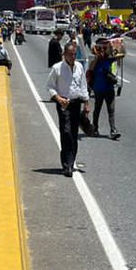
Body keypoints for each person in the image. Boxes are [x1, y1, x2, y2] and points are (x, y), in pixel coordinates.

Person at [47, 41, 88, 176]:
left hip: (76, 103)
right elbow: (50, 87)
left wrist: (86, 103)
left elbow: (83, 86)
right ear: (64, 54)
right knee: (66, 133)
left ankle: (71, 162)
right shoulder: (57, 68)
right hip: (63, 104)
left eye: (74, 54)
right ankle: (66, 165)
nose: (72, 57)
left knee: (74, 134)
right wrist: (59, 99)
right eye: (70, 54)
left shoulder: (79, 67)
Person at [88, 39, 121, 140]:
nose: (102, 51)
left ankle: (113, 130)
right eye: (101, 49)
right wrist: (97, 56)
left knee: (111, 110)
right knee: (97, 109)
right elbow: (90, 68)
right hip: (98, 89)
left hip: (109, 88)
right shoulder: (95, 61)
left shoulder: (109, 60)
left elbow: (120, 56)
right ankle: (95, 128)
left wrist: (114, 45)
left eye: (104, 49)